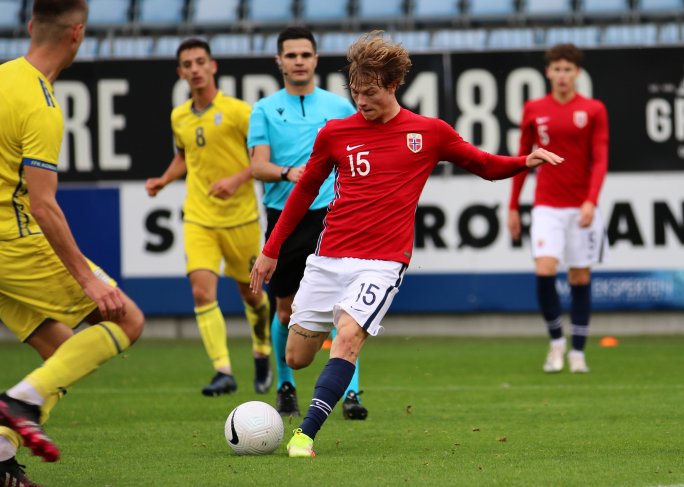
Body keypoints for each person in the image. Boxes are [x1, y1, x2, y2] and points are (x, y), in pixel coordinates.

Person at [249, 31, 564, 458]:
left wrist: (523, 161)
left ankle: (304, 435)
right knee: (298, 354)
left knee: (348, 338)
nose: (361, 101)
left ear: (393, 85)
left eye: (371, 92)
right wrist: (271, 250)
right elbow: (304, 193)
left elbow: (484, 165)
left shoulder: (428, 133)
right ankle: (296, 385)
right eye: (356, 92)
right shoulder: (335, 134)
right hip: (327, 259)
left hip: (381, 262)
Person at [0, 1, 145, 484]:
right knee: (126, 318)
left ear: (29, 26)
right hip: (11, 238)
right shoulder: (41, 105)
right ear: (77, 34)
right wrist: (87, 279)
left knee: (62, 353)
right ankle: (14, 404)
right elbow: (43, 205)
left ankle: (1, 458)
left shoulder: (2, 78)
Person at [248, 27, 367, 419]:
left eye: (305, 54)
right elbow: (257, 165)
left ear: (315, 60)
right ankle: (286, 384)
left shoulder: (339, 107)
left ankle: (351, 393)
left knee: (342, 309)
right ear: (279, 61)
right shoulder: (264, 109)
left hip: (332, 216)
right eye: (291, 54)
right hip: (285, 216)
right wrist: (289, 173)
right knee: (286, 310)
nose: (299, 60)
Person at [145, 38, 272, 397]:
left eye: (201, 61)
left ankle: (262, 353)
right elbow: (184, 156)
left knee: (252, 296)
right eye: (188, 64)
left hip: (241, 218)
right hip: (199, 217)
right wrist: (164, 179)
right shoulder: (179, 115)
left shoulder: (239, 111)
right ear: (181, 72)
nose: (195, 69)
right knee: (201, 291)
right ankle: (223, 370)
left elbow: (261, 159)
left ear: (213, 66)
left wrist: (237, 179)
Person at [507, 43, 609, 375]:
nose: (562, 75)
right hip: (546, 205)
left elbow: (600, 159)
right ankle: (556, 345)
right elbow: (523, 158)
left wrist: (591, 200)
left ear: (577, 73)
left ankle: (578, 352)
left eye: (568, 70)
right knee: (544, 270)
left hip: (580, 206)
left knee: (580, 275)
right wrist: (512, 206)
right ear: (548, 72)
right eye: (557, 69)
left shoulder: (593, 109)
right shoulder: (534, 108)